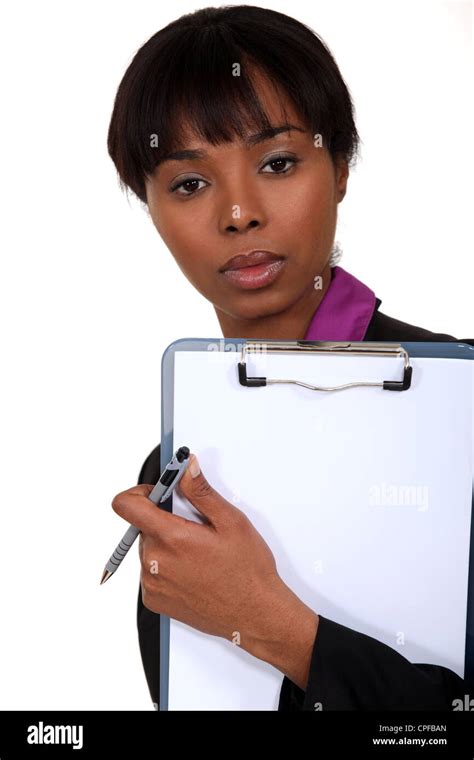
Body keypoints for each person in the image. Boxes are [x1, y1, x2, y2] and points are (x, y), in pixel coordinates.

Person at [107, 5, 474, 710]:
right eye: (189, 182)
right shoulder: (174, 475)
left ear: (339, 169)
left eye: (277, 162)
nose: (238, 213)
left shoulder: (461, 405)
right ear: (150, 208)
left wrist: (278, 629)